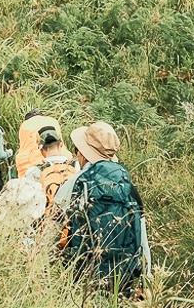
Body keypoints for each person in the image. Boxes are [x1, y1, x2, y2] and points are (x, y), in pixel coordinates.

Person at [58, 122, 144, 292]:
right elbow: (142, 235)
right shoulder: (127, 185)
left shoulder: (75, 182)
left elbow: (54, 223)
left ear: (82, 153)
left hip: (84, 273)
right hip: (122, 274)